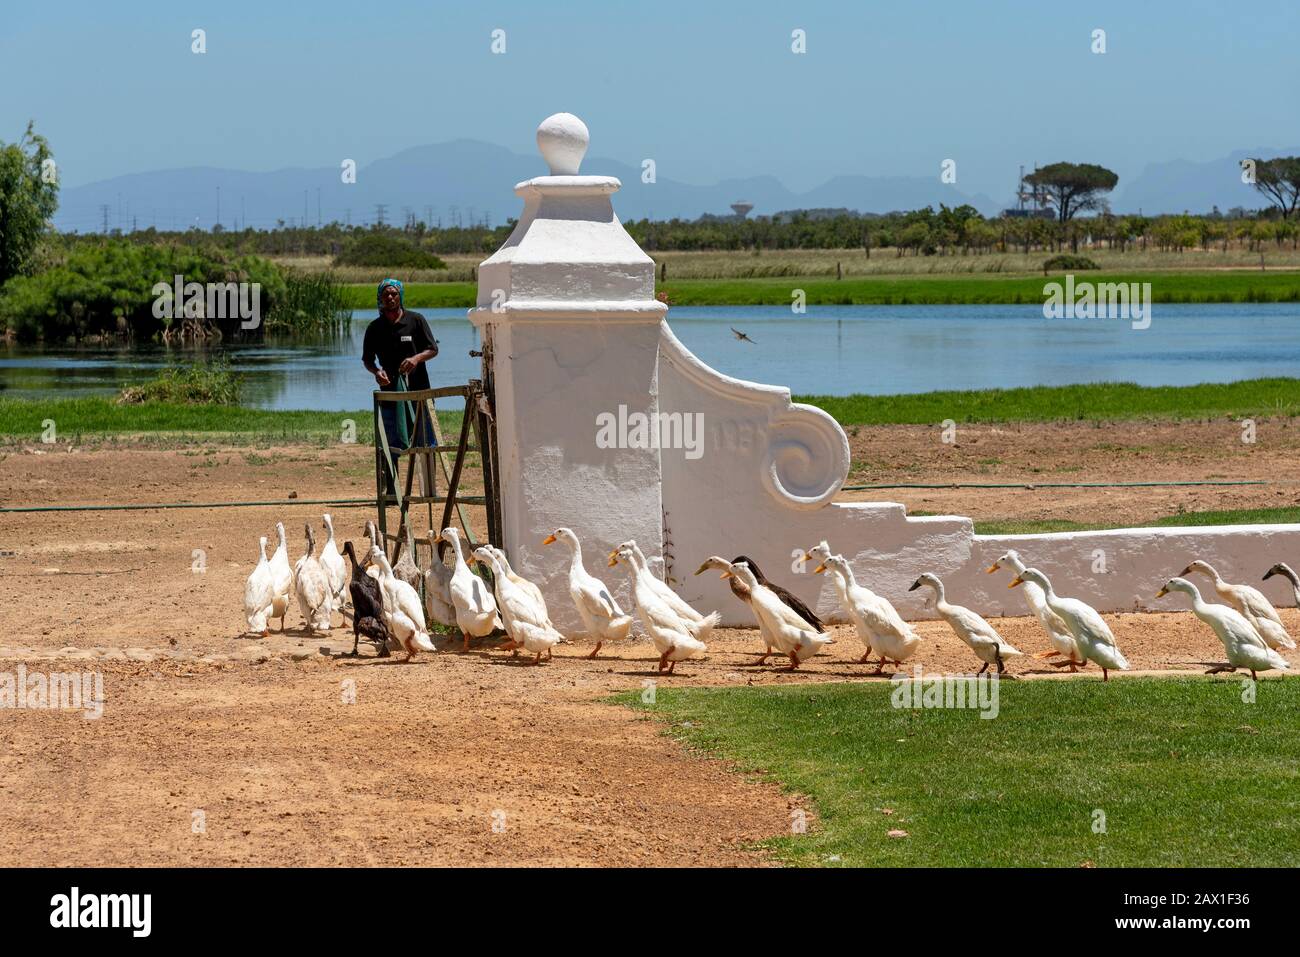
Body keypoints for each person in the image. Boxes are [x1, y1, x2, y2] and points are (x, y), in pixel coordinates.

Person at [362, 278, 438, 494]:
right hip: (390, 393)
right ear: (380, 298)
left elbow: (432, 349)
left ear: (401, 296)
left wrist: (416, 359)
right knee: (390, 442)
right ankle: (392, 491)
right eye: (386, 294)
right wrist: (377, 372)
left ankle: (429, 490)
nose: (390, 297)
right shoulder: (374, 328)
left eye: (394, 293)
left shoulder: (416, 320)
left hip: (419, 391)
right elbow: (367, 359)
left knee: (426, 440)